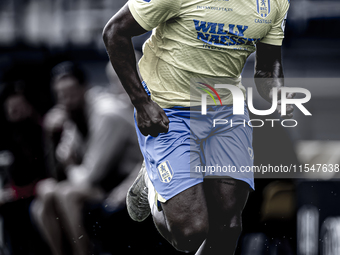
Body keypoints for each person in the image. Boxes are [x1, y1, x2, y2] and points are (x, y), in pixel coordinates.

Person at [103, 0, 295, 254]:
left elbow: (267, 68)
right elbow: (114, 31)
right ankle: (153, 183)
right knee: (190, 233)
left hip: (226, 111)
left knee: (228, 227)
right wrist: (141, 102)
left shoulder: (275, 3)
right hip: (169, 112)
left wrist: (276, 93)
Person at [31, 62, 142, 255]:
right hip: (105, 181)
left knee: (67, 194)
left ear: (84, 88)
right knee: (42, 202)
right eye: (60, 94)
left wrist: (70, 164)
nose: (66, 99)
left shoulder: (106, 114)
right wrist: (50, 136)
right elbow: (57, 172)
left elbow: (88, 176)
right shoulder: (74, 113)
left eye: (71, 92)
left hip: (126, 182)